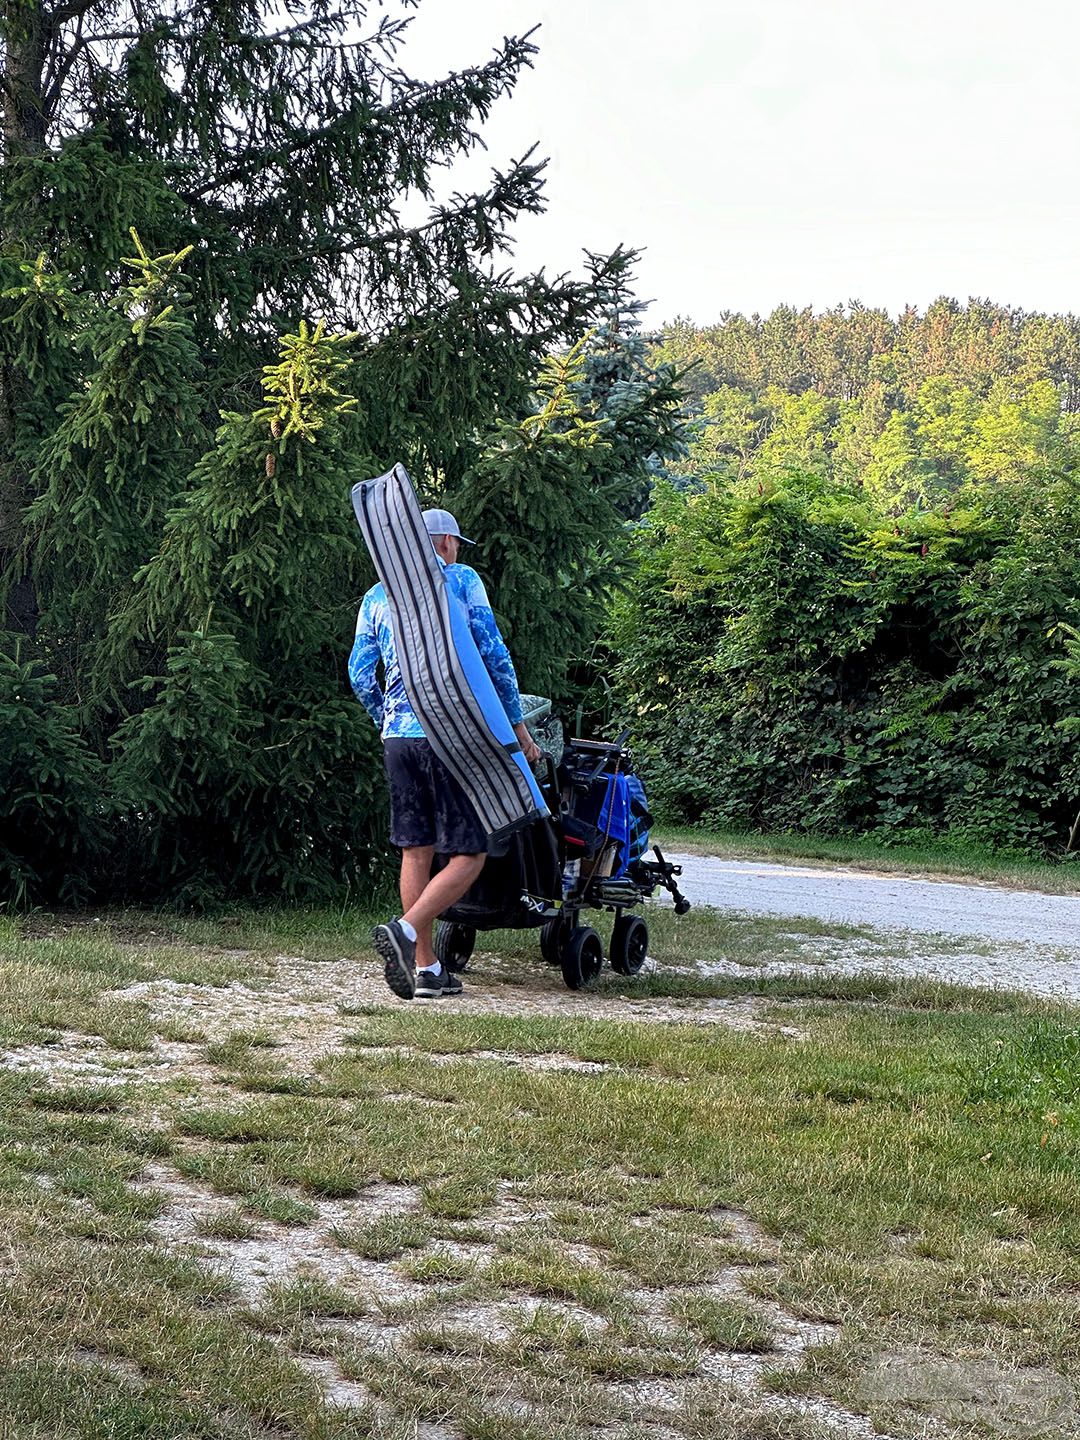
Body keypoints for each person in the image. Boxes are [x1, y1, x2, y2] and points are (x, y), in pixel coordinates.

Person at [349, 507, 541, 1000]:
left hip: (399, 738)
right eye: (454, 543)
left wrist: (384, 720)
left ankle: (429, 970)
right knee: (471, 852)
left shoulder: (377, 595)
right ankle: (406, 929)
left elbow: (358, 671)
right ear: (444, 544)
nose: (455, 551)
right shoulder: (460, 580)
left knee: (417, 849)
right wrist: (517, 726)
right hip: (450, 733)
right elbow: (492, 652)